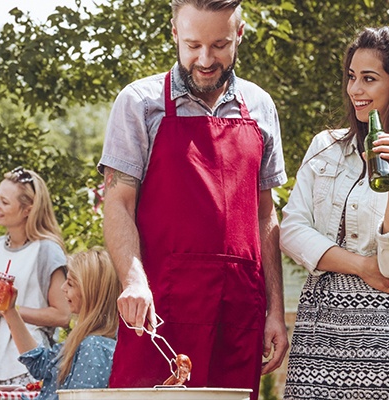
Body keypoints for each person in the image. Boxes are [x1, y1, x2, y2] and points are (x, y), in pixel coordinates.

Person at [98, 0, 288, 395]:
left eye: (219, 45)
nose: (205, 59)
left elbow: (265, 215)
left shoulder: (261, 109)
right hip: (158, 314)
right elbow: (117, 203)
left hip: (237, 313)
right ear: (174, 36)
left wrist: (276, 311)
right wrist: (134, 281)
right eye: (192, 45)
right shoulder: (139, 103)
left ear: (239, 34)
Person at [279, 26, 389, 399]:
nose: (354, 90)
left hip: (388, 344)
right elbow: (291, 230)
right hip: (317, 334)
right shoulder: (325, 147)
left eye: (369, 79)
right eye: (351, 77)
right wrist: (360, 266)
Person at [0, 167, 71, 386]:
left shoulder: (47, 251)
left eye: (4, 202)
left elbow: (62, 316)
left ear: (28, 209)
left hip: (26, 367)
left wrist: (5, 310)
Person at [5, 248, 119, 400]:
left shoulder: (94, 346)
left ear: (89, 293)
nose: (63, 287)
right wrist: (9, 311)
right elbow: (40, 364)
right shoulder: (85, 339)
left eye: (70, 284)